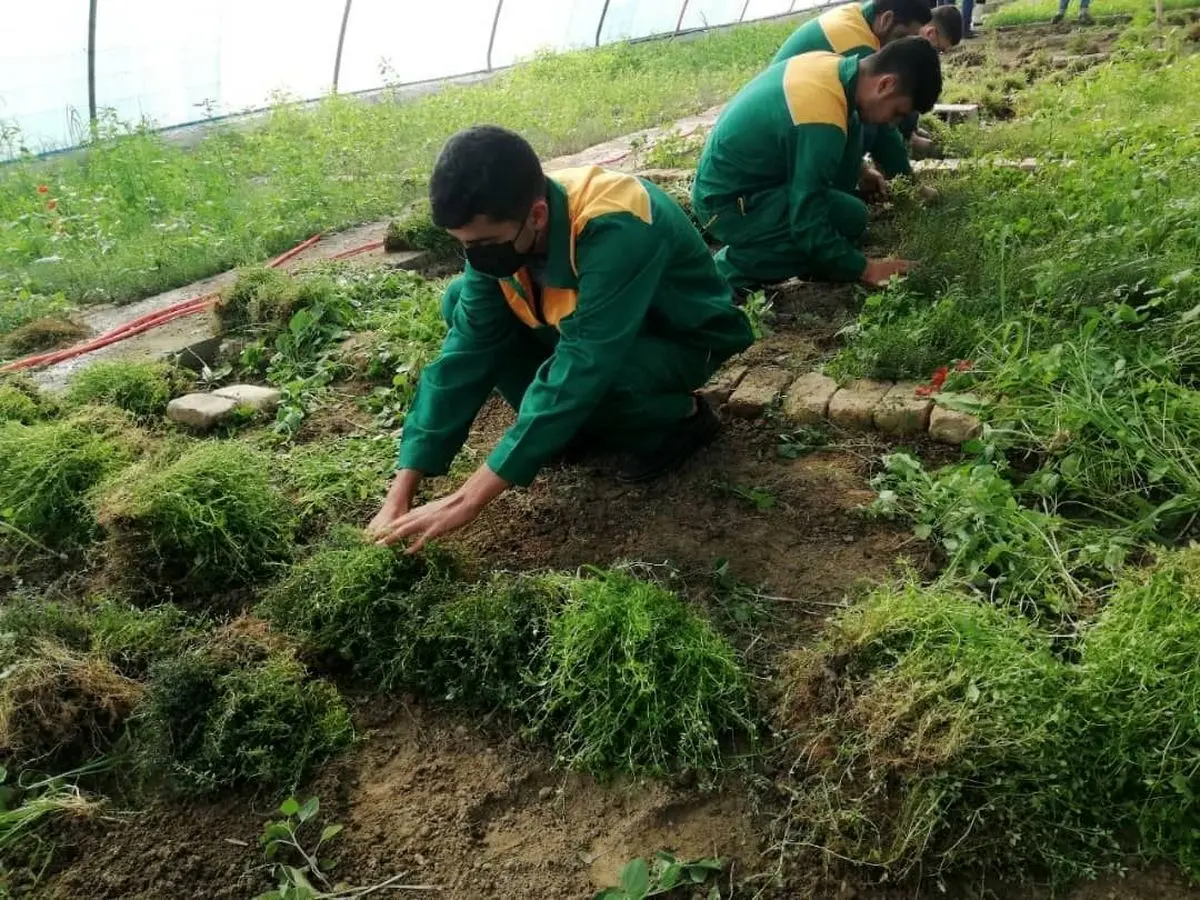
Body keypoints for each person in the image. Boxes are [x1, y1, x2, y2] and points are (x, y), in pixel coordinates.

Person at [367, 126, 754, 551]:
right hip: (589, 330)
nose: (477, 256)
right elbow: (466, 352)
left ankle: (681, 421)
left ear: (536, 215)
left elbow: (586, 359)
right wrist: (401, 490)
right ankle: (566, 431)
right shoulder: (503, 232)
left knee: (603, 379)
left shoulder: (616, 225)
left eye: (485, 243)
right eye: (465, 246)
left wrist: (469, 498)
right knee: (462, 300)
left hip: (676, 334)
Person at [692, 37, 943, 291]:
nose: (891, 123)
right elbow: (807, 223)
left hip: (753, 183)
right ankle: (721, 274)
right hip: (727, 203)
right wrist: (866, 269)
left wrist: (862, 169)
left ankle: (811, 254)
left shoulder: (835, 68)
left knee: (851, 217)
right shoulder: (821, 119)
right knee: (814, 238)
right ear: (885, 84)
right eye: (897, 112)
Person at [770, 0, 937, 187]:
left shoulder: (857, 15)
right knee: (869, 122)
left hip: (790, 111)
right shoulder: (857, 49)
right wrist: (910, 183)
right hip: (785, 130)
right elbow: (884, 131)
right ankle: (840, 189)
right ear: (887, 19)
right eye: (901, 37)